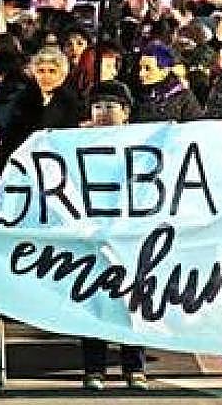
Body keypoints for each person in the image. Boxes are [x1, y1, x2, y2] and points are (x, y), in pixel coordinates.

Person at [76, 80, 148, 391]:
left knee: (131, 303)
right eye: (97, 107)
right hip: (90, 234)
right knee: (93, 301)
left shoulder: (144, 145)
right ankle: (94, 369)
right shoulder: (74, 146)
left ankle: (135, 367)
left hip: (129, 235)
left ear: (126, 113)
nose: (103, 113)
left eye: (111, 107)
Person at [133, 42, 203, 122]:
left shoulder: (184, 98)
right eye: (140, 68)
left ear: (165, 70)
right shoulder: (143, 94)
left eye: (148, 69)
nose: (141, 74)